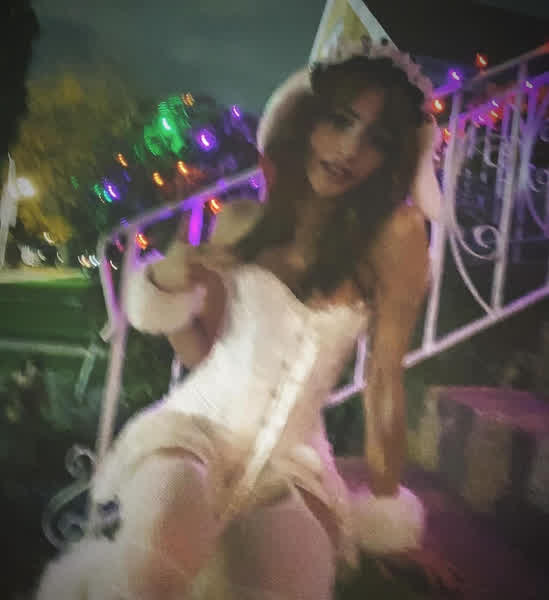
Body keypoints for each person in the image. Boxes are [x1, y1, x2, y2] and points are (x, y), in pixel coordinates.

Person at [36, 38, 443, 600]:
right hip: (195, 427)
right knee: (152, 567)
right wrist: (171, 283)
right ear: (305, 120)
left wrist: (385, 498)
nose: (350, 149)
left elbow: (383, 380)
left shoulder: (395, 238)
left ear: (392, 158)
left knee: (289, 580)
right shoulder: (239, 222)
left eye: (377, 139)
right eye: (340, 120)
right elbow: (202, 355)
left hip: (295, 460)